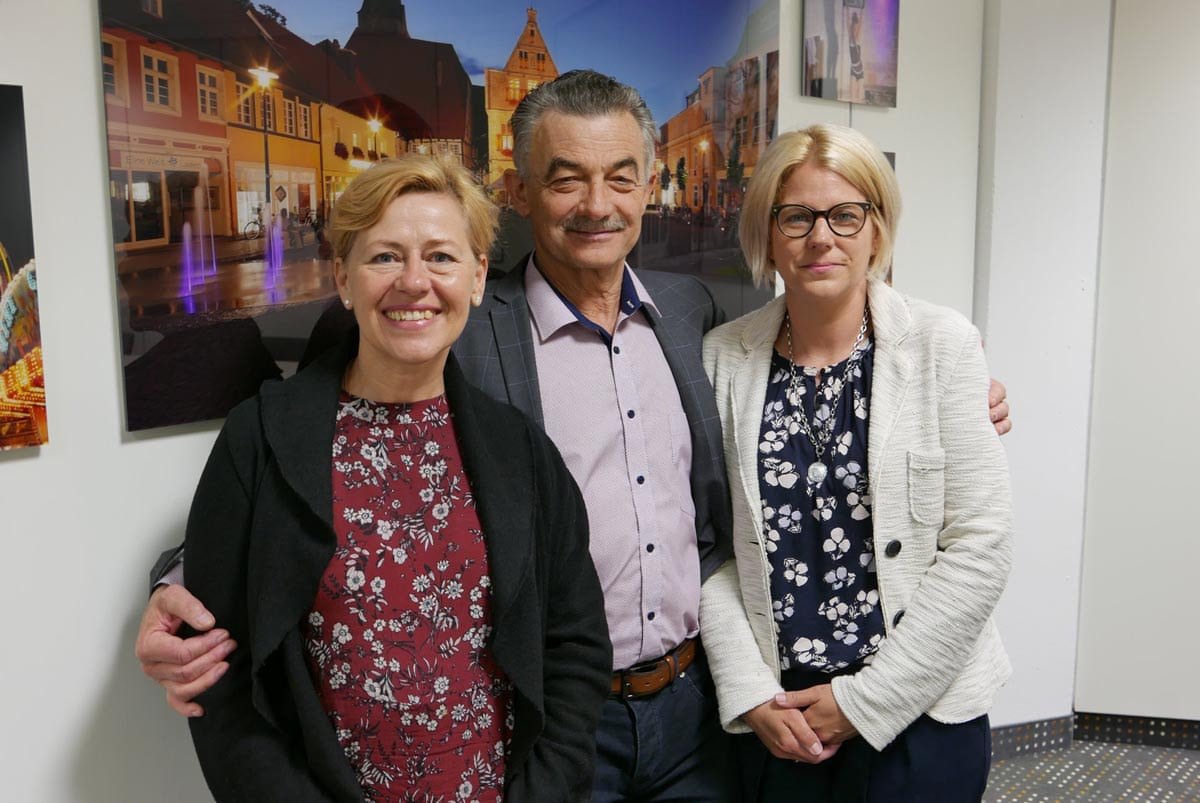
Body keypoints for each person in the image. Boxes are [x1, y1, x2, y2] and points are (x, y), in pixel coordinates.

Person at [135, 72, 1013, 800]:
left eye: (621, 176)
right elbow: (311, 450)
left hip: (699, 709)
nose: (597, 205)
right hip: (556, 719)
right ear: (520, 193)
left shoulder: (694, 318)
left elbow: (821, 359)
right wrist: (180, 580)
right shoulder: (457, 319)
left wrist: (954, 387)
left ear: (645, 185)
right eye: (565, 178)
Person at [179, 154, 611, 801]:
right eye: (384, 257)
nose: (414, 281)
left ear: (475, 277)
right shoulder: (259, 438)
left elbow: (574, 644)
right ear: (344, 280)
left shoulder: (519, 448)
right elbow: (220, 673)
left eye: (440, 256)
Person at [699, 124, 1012, 801]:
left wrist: (866, 702)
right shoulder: (722, 359)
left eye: (846, 214)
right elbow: (712, 552)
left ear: (877, 228)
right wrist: (750, 691)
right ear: (768, 233)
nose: (822, 237)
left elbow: (980, 546)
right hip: (784, 722)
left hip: (922, 716)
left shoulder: (943, 347)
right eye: (797, 217)